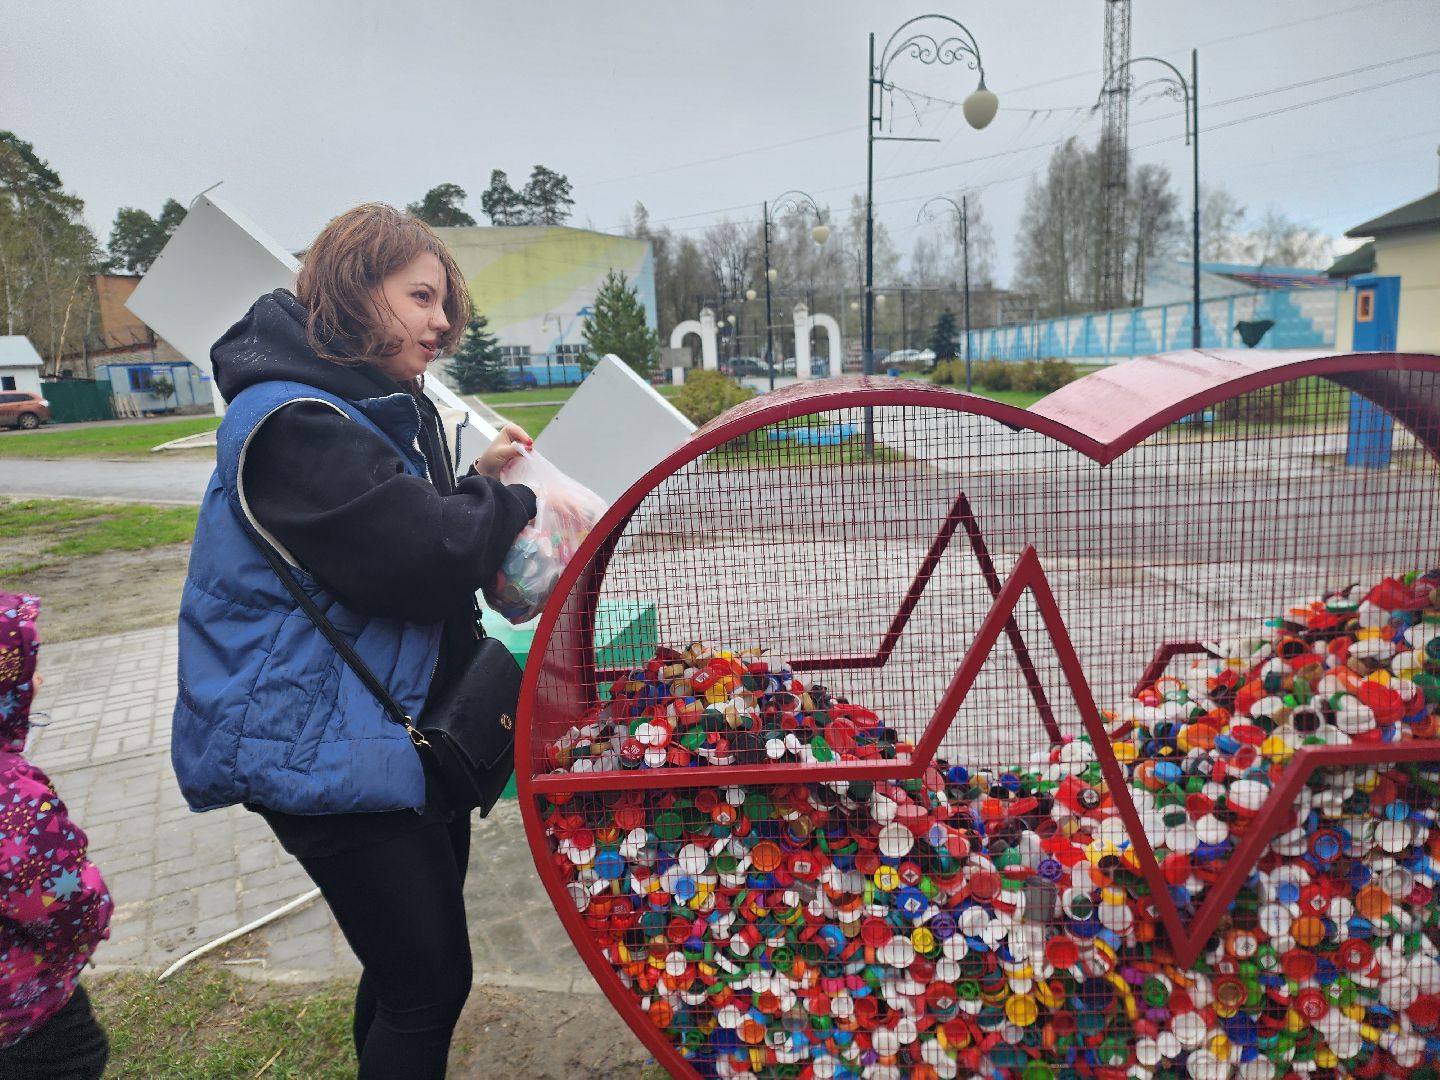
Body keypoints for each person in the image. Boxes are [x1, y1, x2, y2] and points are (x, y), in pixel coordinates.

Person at [170, 203, 537, 1078]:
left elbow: (395, 524)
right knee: (429, 984)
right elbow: (415, 557)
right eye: (420, 296)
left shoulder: (349, 406)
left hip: (380, 738)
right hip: (318, 749)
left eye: (445, 303)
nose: (442, 322)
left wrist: (472, 482)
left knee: (408, 968)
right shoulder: (293, 420)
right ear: (350, 290)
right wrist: (516, 504)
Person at [0, 594, 113, 1080]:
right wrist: (73, 950)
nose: (38, 681)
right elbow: (63, 904)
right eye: (27, 672)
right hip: (27, 1020)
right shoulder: (12, 799)